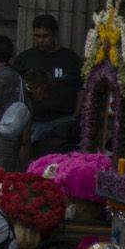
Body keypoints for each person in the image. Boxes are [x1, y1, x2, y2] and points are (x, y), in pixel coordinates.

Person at [13, 14, 83, 149]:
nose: (40, 40)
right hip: (32, 122)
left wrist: (76, 115)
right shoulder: (25, 58)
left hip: (62, 121)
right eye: (37, 36)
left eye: (45, 36)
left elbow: (81, 89)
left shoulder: (70, 59)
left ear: (55, 34)